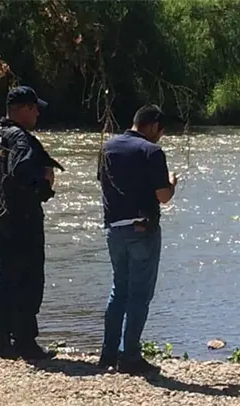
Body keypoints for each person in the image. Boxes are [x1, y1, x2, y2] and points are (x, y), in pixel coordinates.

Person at [0, 85, 63, 360]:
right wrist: (45, 184)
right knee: (29, 280)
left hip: (1, 217)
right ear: (24, 109)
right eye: (35, 108)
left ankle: (1, 341)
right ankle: (26, 342)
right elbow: (20, 172)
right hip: (23, 218)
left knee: (6, 280)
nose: (38, 113)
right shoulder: (20, 139)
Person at [97, 105, 178, 375]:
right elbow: (163, 197)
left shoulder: (108, 147)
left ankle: (108, 354)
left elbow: (103, 182)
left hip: (113, 228)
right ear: (153, 125)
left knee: (118, 289)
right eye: (160, 131)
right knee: (140, 294)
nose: (160, 137)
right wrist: (172, 182)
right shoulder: (151, 151)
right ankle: (130, 355)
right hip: (142, 228)